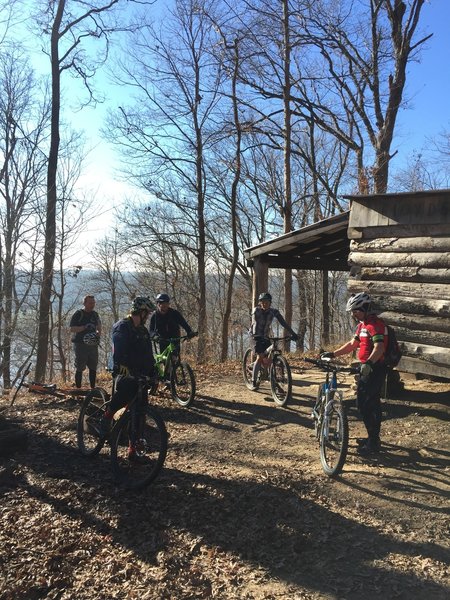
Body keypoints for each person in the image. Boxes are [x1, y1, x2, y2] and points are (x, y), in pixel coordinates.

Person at [321, 292, 388, 456]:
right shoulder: (362, 326)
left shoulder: (375, 325)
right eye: (352, 311)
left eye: (356, 310)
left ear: (365, 308)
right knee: (369, 404)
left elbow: (380, 348)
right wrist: (333, 354)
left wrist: (370, 364)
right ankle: (373, 438)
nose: (353, 314)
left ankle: (373, 442)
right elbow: (353, 344)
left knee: (366, 404)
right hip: (367, 368)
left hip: (375, 368)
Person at [99, 296, 156, 454]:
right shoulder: (122, 326)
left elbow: (148, 355)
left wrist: (153, 373)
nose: (149, 316)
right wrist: (123, 367)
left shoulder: (143, 331)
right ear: (141, 312)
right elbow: (119, 350)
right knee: (126, 390)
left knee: (140, 410)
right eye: (148, 313)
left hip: (140, 373)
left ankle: (133, 448)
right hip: (122, 370)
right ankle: (108, 414)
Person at [250, 292, 298, 390]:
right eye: (262, 302)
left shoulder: (273, 312)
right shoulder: (256, 311)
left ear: (270, 302)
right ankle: (253, 381)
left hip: (266, 336)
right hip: (255, 336)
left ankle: (271, 377)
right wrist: (257, 336)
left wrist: (293, 333)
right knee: (260, 357)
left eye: (266, 302)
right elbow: (255, 323)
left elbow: (284, 323)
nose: (264, 304)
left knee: (271, 356)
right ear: (260, 303)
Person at [69, 295, 102, 389]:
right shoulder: (78, 314)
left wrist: (98, 334)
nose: (92, 305)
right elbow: (72, 329)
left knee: (93, 367)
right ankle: (78, 389)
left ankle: (92, 388)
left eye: (93, 303)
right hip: (80, 345)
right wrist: (83, 327)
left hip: (93, 345)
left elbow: (99, 326)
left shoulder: (95, 314)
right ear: (84, 303)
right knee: (80, 367)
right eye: (90, 303)